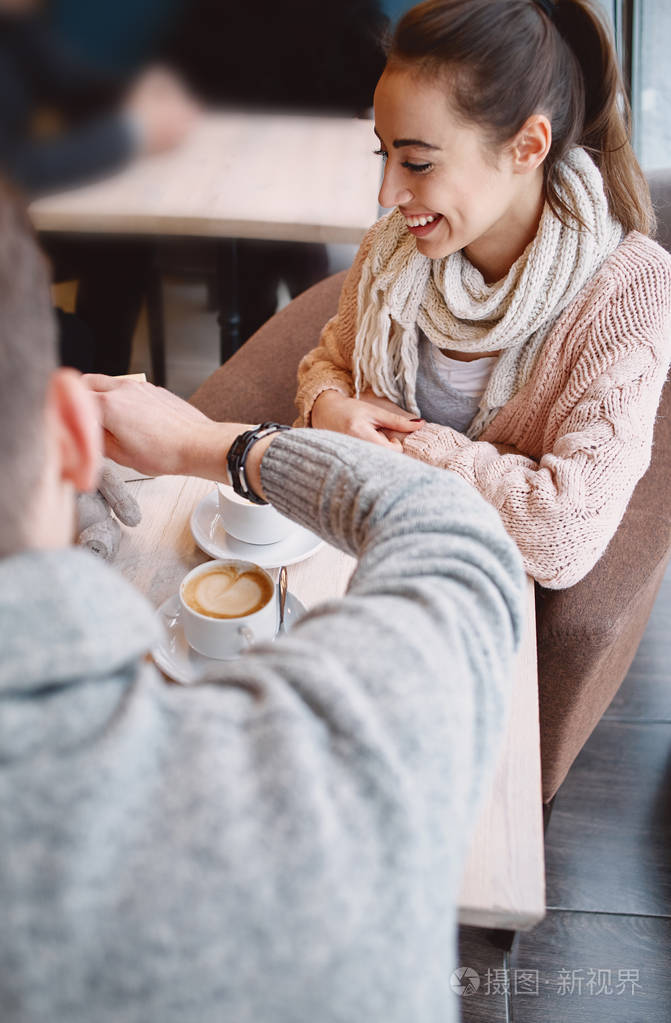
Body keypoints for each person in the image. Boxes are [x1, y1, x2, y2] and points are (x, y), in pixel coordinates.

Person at [0, 180, 524, 1022]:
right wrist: (219, 445)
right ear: (70, 431)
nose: (390, 187)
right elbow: (456, 539)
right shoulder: (330, 771)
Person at [295, 0, 671, 590]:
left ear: (527, 147)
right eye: (384, 152)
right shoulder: (392, 251)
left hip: (483, 592)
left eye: (417, 162)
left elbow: (563, 532)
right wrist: (328, 407)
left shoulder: (628, 294)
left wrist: (397, 447)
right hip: (367, 547)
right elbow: (331, 364)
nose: (388, 192)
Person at [0, 0, 198, 373]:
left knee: (122, 245)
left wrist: (136, 93)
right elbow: (17, 169)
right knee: (80, 335)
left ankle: (106, 393)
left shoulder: (14, 27)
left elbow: (65, 80)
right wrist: (134, 131)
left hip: (16, 229)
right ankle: (89, 392)